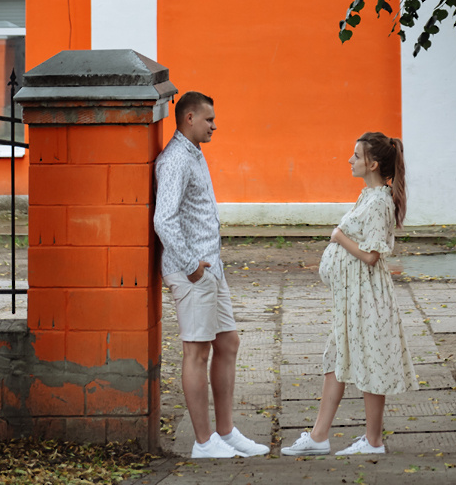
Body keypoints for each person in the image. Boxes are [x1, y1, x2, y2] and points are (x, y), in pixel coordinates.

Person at [282, 132, 416, 457]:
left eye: (356, 156)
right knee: (335, 359)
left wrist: (338, 237)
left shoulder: (380, 201)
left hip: (366, 297)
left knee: (371, 360)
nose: (350, 160)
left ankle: (373, 441)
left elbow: (371, 255)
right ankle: (319, 436)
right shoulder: (368, 196)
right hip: (351, 297)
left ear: (371, 163)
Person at [153, 90, 269, 459]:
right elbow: (163, 220)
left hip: (209, 269)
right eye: (208, 120)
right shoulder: (174, 160)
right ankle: (204, 443)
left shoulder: (194, 153)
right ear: (189, 118)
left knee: (228, 343)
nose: (214, 125)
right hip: (192, 273)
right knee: (196, 352)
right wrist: (191, 266)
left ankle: (225, 432)